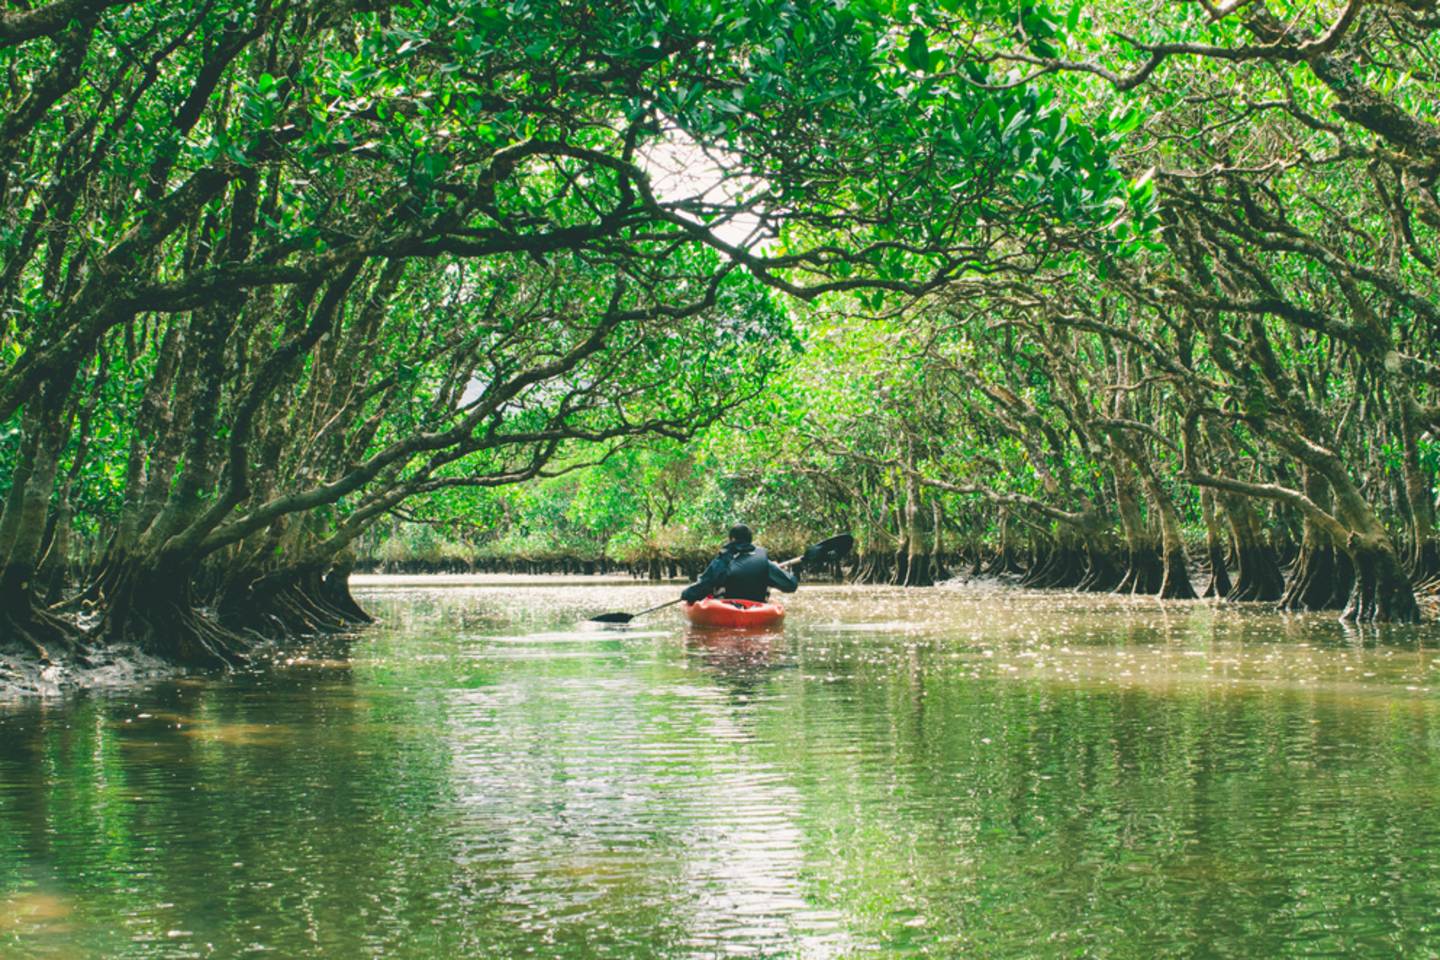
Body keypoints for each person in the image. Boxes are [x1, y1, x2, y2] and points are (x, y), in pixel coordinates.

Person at [681, 524, 798, 604]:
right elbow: (791, 585)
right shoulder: (765, 563)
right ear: (750, 540)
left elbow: (703, 586)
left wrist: (686, 594)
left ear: (731, 540)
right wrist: (779, 569)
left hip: (727, 608)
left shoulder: (722, 560)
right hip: (756, 608)